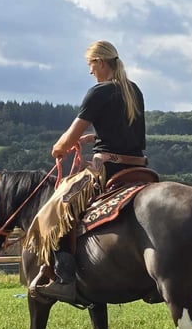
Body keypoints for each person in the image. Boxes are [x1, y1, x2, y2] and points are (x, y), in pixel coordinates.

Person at [27, 40, 147, 302]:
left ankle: (65, 278)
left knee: (55, 209)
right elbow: (124, 133)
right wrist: (92, 139)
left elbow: (67, 139)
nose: (90, 71)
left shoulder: (99, 92)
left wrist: (59, 149)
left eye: (90, 65)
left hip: (107, 169)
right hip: (138, 168)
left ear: (101, 63)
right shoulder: (133, 90)